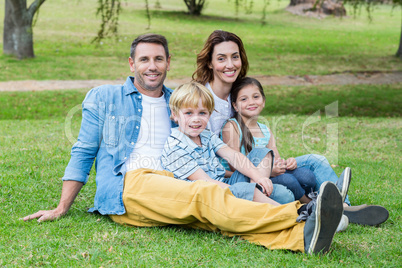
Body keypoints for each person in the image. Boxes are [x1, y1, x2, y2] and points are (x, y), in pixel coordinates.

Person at [23, 33, 346, 254]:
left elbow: (214, 120)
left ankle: (302, 239)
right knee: (205, 194)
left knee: (210, 215)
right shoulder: (104, 97)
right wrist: (61, 207)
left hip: (173, 184)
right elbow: (83, 152)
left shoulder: (177, 101)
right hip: (131, 184)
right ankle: (300, 214)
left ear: (167, 62)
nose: (152, 66)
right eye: (145, 59)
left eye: (159, 59)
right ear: (131, 64)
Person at [192, 29, 389, 226]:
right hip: (236, 176)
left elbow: (259, 137)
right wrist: (264, 171)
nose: (230, 64)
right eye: (221, 58)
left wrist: (280, 164)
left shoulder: (240, 91)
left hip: (262, 166)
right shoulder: (201, 102)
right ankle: (315, 209)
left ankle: (343, 207)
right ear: (210, 62)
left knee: (315, 161)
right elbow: (210, 161)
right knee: (285, 192)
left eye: (235, 57)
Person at [161, 81, 294, 205]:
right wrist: (244, 192)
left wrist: (259, 177)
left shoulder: (206, 135)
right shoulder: (175, 147)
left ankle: (259, 195)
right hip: (205, 194)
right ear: (175, 114)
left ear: (209, 114)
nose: (196, 119)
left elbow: (233, 156)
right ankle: (287, 213)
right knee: (275, 196)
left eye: (202, 113)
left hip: (223, 183)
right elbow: (206, 182)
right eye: (188, 113)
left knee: (262, 153)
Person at [221, 77, 316, 204]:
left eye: (256, 97)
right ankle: (309, 203)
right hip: (245, 178)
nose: (251, 102)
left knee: (307, 175)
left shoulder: (265, 130)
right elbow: (234, 166)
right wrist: (267, 171)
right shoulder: (232, 127)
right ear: (235, 106)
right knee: (289, 181)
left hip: (269, 173)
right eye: (244, 99)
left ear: (263, 101)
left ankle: (313, 197)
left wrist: (287, 163)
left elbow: (276, 159)